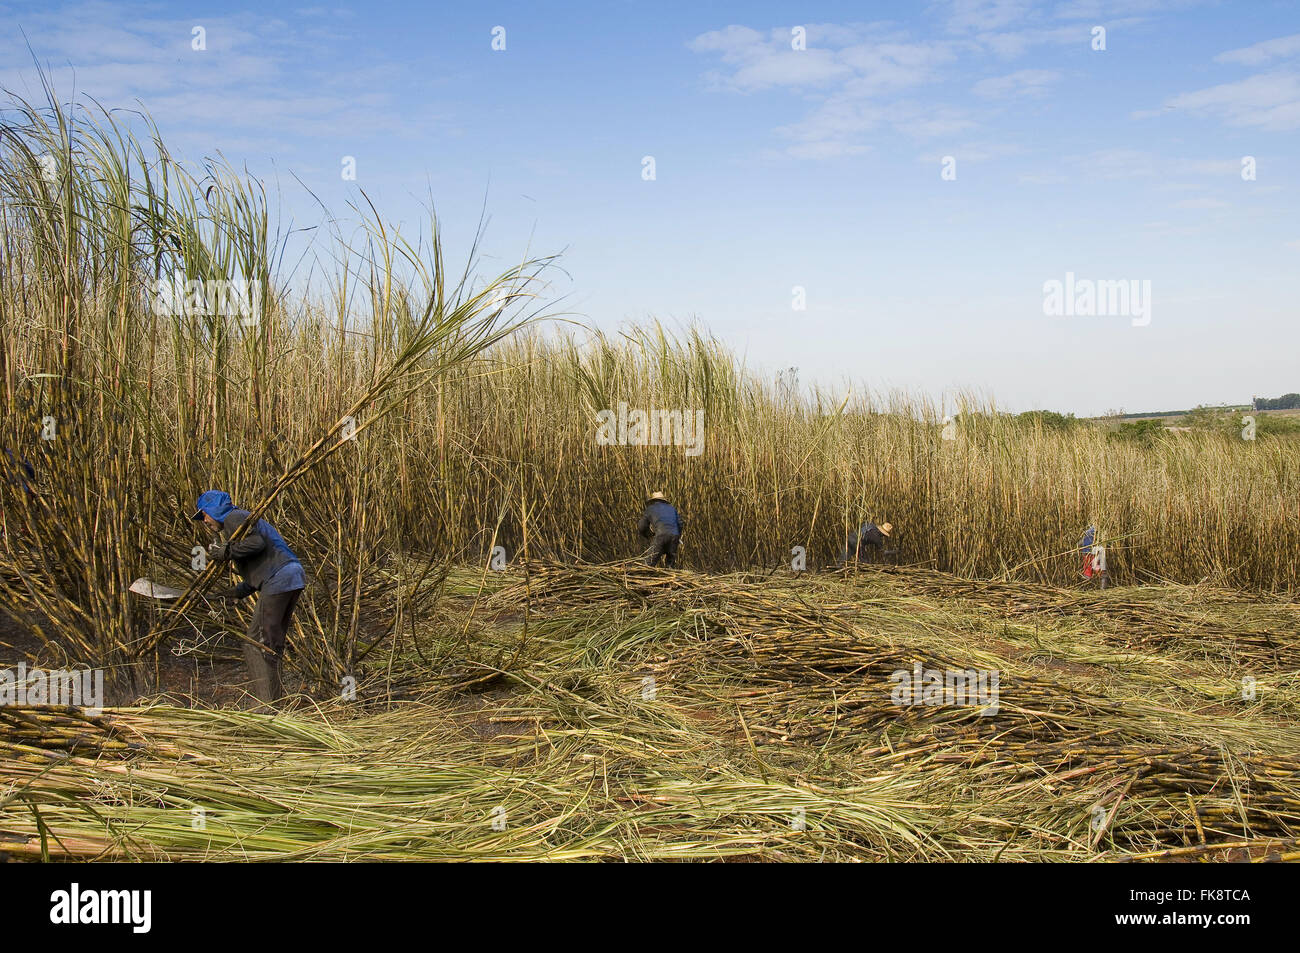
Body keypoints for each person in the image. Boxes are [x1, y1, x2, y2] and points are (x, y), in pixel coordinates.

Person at [192, 490, 306, 703]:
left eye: (205, 514)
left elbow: (257, 544)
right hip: (291, 576)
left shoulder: (234, 518)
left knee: (255, 644)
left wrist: (225, 552)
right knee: (271, 644)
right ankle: (276, 703)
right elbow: (262, 563)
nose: (205, 521)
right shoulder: (240, 521)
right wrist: (237, 592)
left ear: (215, 510)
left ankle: (267, 707)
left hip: (280, 578)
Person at [638, 491, 682, 568]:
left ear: (653, 500)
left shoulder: (650, 509)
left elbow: (642, 526)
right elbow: (680, 524)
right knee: (670, 563)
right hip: (675, 536)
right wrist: (677, 536)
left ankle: (644, 574)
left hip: (661, 535)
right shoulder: (672, 508)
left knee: (649, 562)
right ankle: (672, 577)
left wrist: (648, 535)